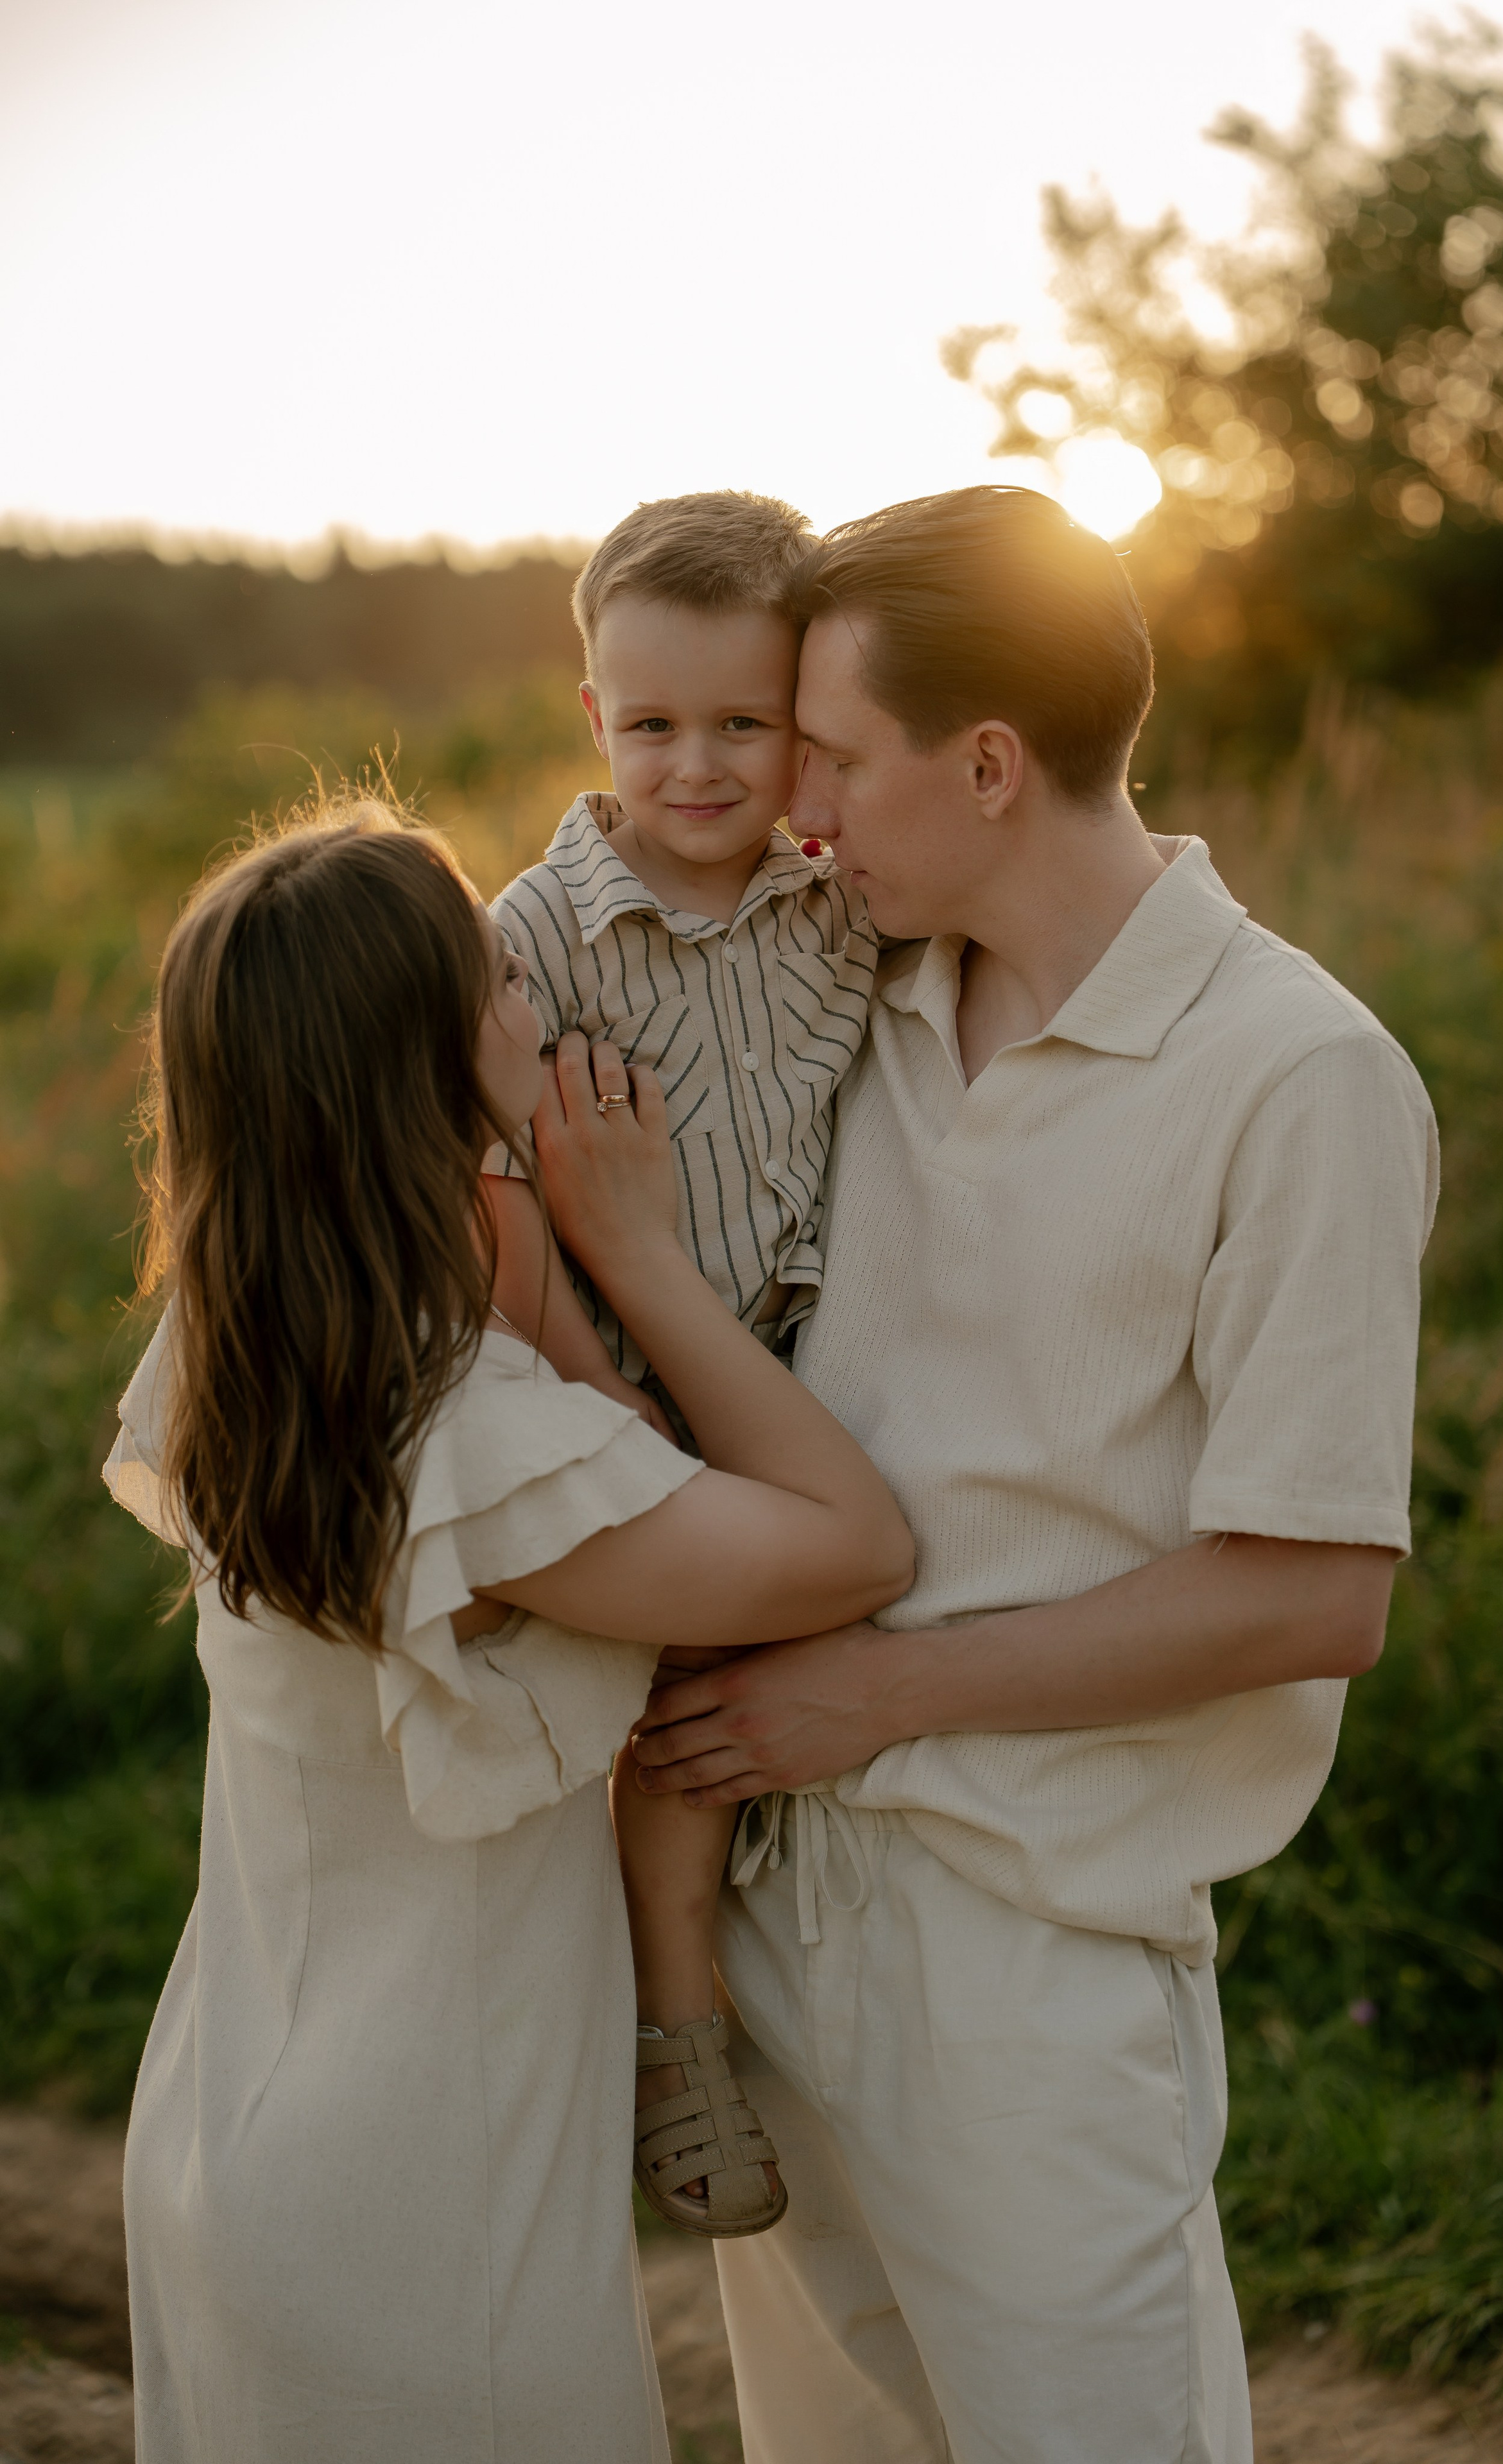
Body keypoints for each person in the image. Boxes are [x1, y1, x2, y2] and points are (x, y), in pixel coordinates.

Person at [559, 487, 1441, 2464]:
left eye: (842, 760)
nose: (804, 812)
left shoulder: (1299, 1078)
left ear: (985, 761)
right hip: (770, 1908)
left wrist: (877, 1691)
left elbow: (1316, 1594)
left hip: (1031, 1955)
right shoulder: (836, 1002)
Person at [103, 797, 911, 2464]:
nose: (536, 998)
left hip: (238, 2132)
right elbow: (854, 1545)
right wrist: (639, 1247)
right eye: (495, 980)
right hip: (418, 2204)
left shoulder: (243, 1353)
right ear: (422, 1060)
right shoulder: (460, 1437)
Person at [481, 490, 878, 2234]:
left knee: (771, 1675)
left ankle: (776, 1989)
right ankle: (677, 2033)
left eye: (745, 724)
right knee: (678, 1709)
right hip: (621, 1373)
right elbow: (483, 1186)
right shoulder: (533, 937)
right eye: (654, 726)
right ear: (594, 718)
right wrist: (590, 1386)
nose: (699, 767)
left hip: (800, 1368)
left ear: (810, 726)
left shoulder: (842, 906)